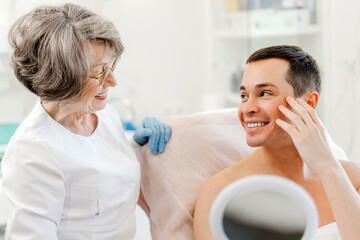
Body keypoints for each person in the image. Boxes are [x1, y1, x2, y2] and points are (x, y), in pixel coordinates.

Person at [2, 3, 171, 239]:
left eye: (110, 65)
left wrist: (137, 148)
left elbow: (104, 176)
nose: (112, 81)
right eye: (99, 71)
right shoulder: (33, 150)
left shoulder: (105, 114)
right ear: (62, 76)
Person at [193, 45, 360, 240]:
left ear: (309, 103)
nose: (248, 108)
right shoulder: (220, 193)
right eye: (244, 96)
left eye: (265, 93)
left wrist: (327, 167)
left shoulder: (353, 179)